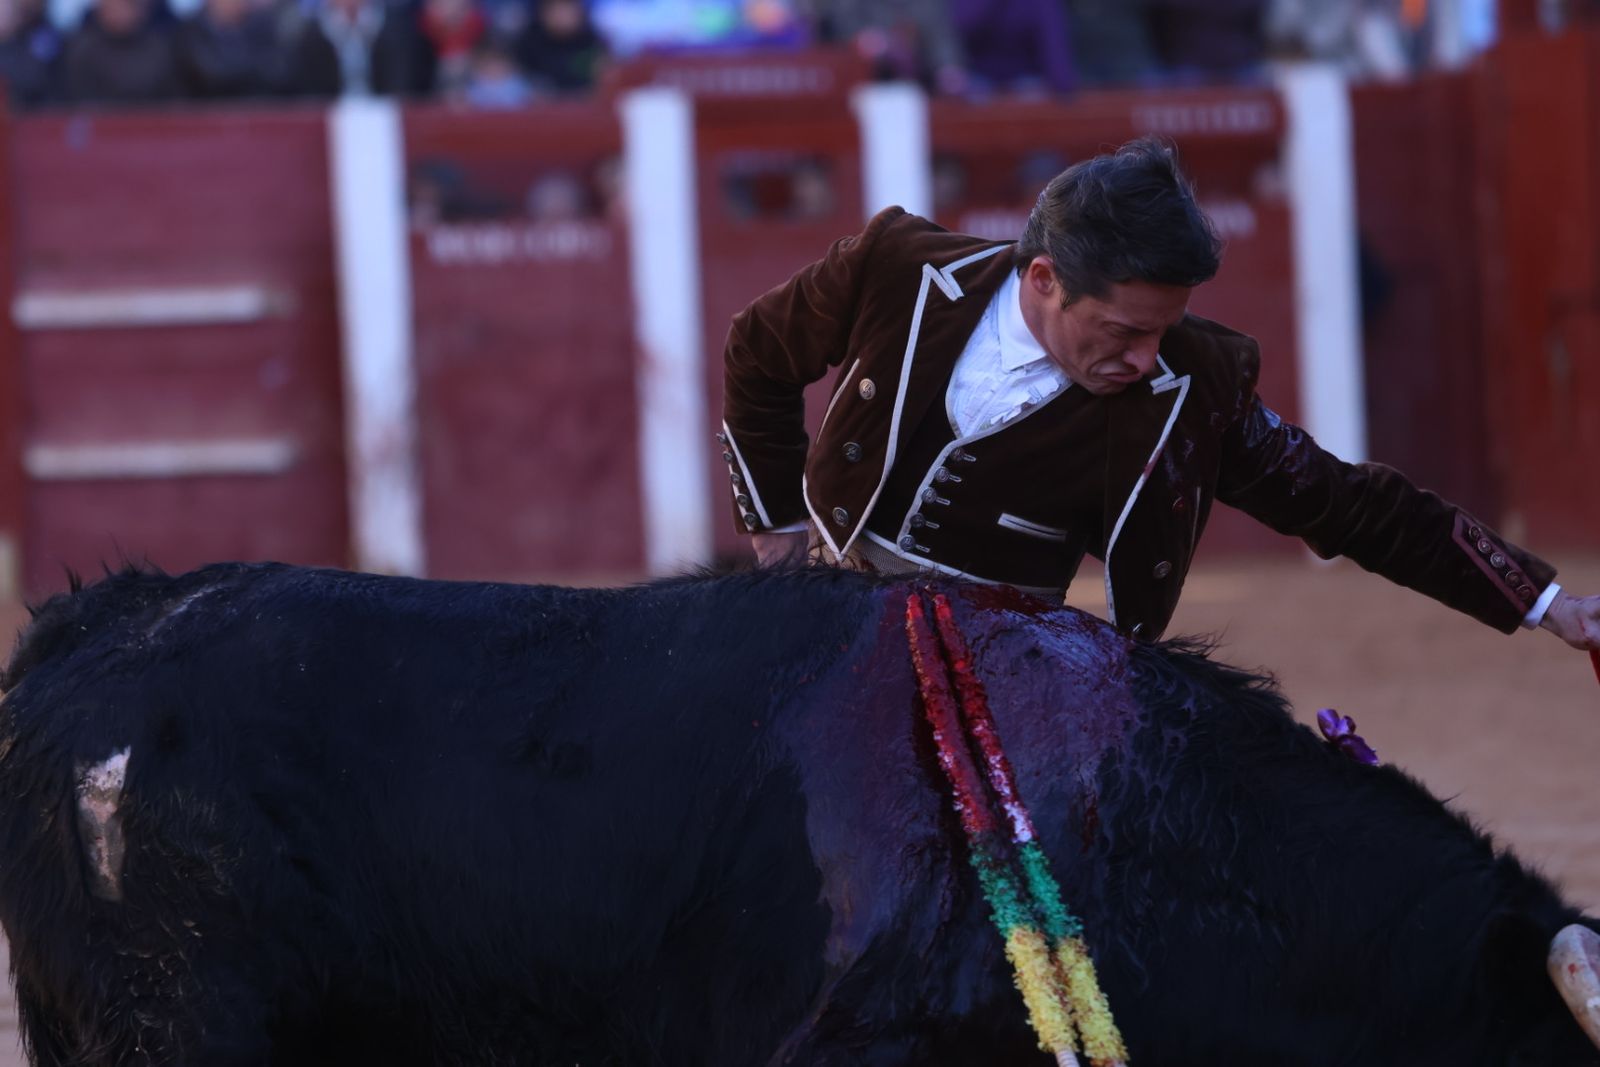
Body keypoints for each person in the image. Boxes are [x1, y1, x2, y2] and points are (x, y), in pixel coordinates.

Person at [718, 138, 1600, 651]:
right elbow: (756, 355)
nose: (1145, 359)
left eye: (1162, 330)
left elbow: (1344, 502)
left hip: (1002, 664)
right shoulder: (897, 270)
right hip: (827, 619)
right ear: (1044, 279)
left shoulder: (1190, 387)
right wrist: (777, 535)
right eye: (1122, 332)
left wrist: (1539, 599)